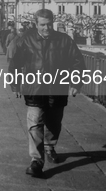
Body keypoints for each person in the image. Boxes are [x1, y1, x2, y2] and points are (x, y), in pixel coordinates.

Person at [7, 9, 85, 178]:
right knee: (35, 122)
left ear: (53, 22)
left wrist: (76, 82)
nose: (46, 28)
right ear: (36, 24)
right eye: (42, 24)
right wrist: (15, 84)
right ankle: (36, 161)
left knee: (54, 122)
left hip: (58, 88)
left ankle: (49, 147)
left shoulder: (64, 40)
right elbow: (15, 63)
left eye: (49, 24)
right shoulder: (26, 40)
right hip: (34, 87)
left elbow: (77, 62)